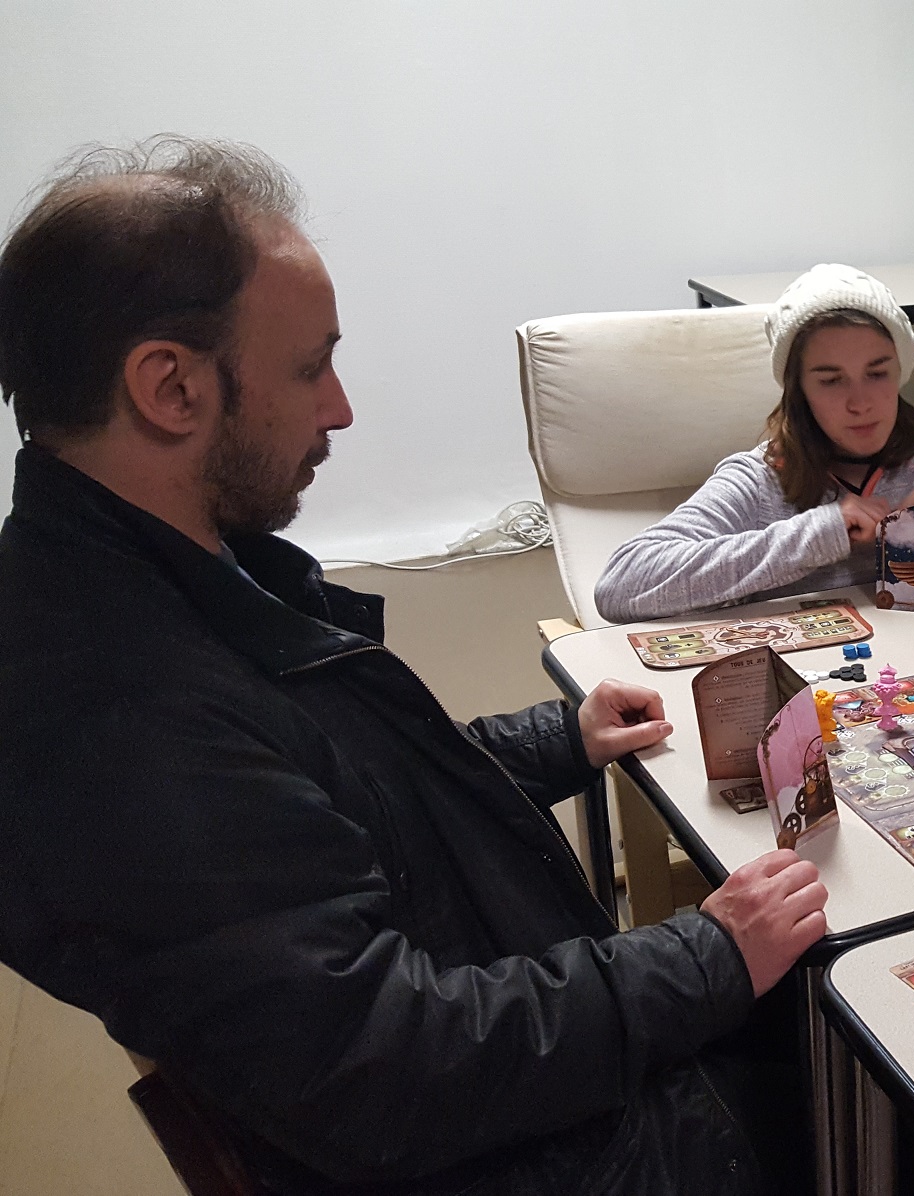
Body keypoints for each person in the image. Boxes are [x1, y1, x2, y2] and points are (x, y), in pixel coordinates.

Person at [0, 137, 826, 1195]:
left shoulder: (164, 580)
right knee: (881, 1072)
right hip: (557, 1153)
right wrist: (702, 956)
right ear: (171, 386)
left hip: (542, 1093)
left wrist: (557, 737)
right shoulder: (123, 715)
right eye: (309, 368)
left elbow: (341, 800)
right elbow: (388, 1068)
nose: (339, 408)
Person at [596, 264, 914, 621]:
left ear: (900, 371)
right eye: (831, 380)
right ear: (798, 389)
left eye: (877, 373)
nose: (860, 402)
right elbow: (622, 584)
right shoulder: (760, 478)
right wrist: (824, 532)